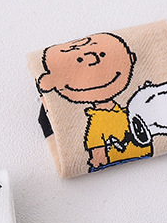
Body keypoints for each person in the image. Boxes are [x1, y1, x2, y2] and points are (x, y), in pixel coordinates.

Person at [36, 32, 152, 170]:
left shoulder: (126, 110)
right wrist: (98, 159)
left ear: (131, 58)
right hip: (123, 159)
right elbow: (97, 151)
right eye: (80, 60)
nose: (93, 61)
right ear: (51, 81)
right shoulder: (96, 122)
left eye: (102, 55)